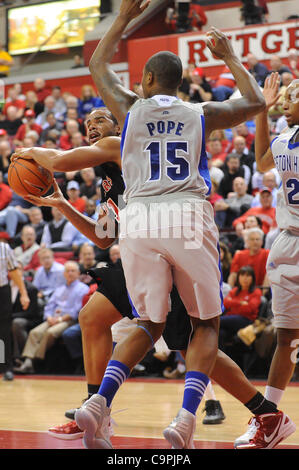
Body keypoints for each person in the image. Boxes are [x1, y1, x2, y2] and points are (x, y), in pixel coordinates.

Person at [75, 1, 266, 450]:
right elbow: (257, 102)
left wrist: (122, 18)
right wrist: (230, 58)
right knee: (204, 325)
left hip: (138, 218)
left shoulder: (128, 107)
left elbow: (97, 63)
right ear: (179, 83)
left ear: (144, 80)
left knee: (148, 322)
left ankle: (98, 403)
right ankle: (184, 419)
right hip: (185, 213)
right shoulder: (201, 113)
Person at [17, 107, 225, 437]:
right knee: (93, 318)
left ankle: (248, 405)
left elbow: (58, 159)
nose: (91, 127)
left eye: (99, 120)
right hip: (137, 256)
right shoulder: (108, 177)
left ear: (119, 126)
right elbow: (103, 234)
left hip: (166, 248)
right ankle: (96, 407)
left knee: (186, 337)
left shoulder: (125, 146)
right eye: (87, 124)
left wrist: (29, 151)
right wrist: (61, 204)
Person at [234, 72, 299, 449]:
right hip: (288, 243)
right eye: (285, 95)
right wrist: (262, 109)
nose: (286, 100)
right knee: (286, 336)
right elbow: (260, 163)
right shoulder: (285, 139)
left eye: (293, 95)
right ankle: (269, 419)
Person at [13, 261, 89, 374]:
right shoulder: (59, 288)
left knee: (50, 333)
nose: (70, 273)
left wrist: (59, 320)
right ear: (64, 274)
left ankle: (33, 361)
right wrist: (48, 317)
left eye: (73, 271)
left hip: (69, 320)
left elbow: (77, 310)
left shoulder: (83, 289)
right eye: (67, 271)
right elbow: (49, 305)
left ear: (78, 273)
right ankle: (29, 362)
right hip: (53, 318)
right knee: (35, 332)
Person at [0, 241, 29, 381]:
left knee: (3, 331)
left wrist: (23, 293)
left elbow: (14, 271)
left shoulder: (4, 248)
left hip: (2, 291)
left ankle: (5, 367)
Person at [219, 266, 262, 352]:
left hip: (246, 320)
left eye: (248, 276)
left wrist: (233, 304)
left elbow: (250, 309)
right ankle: (221, 362)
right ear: (238, 277)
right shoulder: (234, 290)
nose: (245, 279)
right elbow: (224, 304)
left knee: (217, 321)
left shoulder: (256, 292)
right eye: (242, 275)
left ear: (252, 278)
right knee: (220, 333)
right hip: (231, 319)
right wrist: (240, 303)